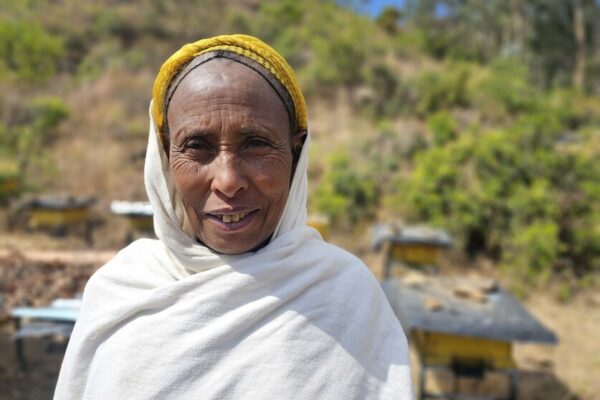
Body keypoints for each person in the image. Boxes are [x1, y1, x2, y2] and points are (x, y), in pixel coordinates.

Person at [54, 34, 412, 399]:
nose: (227, 181)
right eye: (197, 146)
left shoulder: (346, 297)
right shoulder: (118, 293)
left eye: (256, 144)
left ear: (296, 151)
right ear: (164, 156)